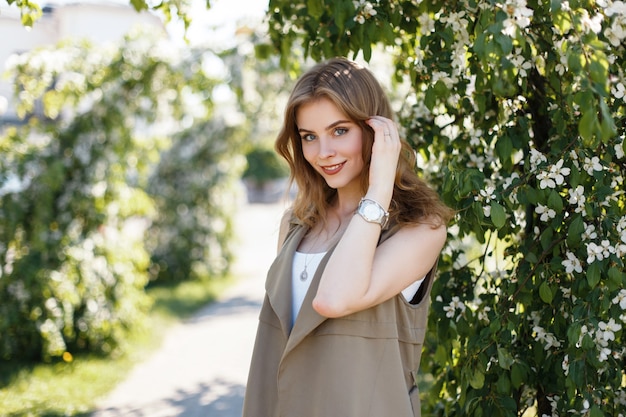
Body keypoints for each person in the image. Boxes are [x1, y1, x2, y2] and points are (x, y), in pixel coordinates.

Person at [242, 56, 454, 417]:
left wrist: (380, 186)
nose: (323, 153)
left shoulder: (421, 229)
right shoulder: (296, 224)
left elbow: (334, 299)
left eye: (339, 131)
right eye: (310, 137)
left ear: (375, 131)